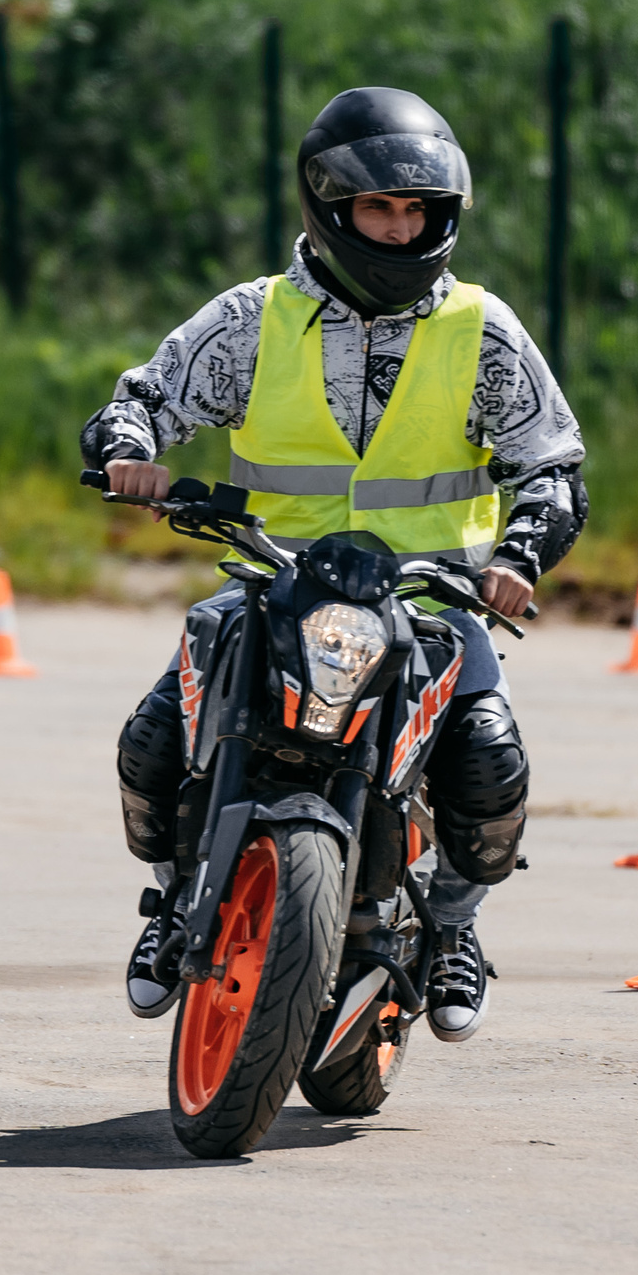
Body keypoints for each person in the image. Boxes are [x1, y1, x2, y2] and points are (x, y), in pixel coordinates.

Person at [82, 87, 587, 1042]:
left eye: (417, 213)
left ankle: (452, 926)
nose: (399, 231)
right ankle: (173, 901)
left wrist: (522, 547)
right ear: (328, 205)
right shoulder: (250, 319)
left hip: (431, 601)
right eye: (378, 209)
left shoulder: (485, 331)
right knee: (152, 744)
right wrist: (126, 449)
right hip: (269, 586)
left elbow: (552, 464)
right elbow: (145, 397)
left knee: (491, 767)